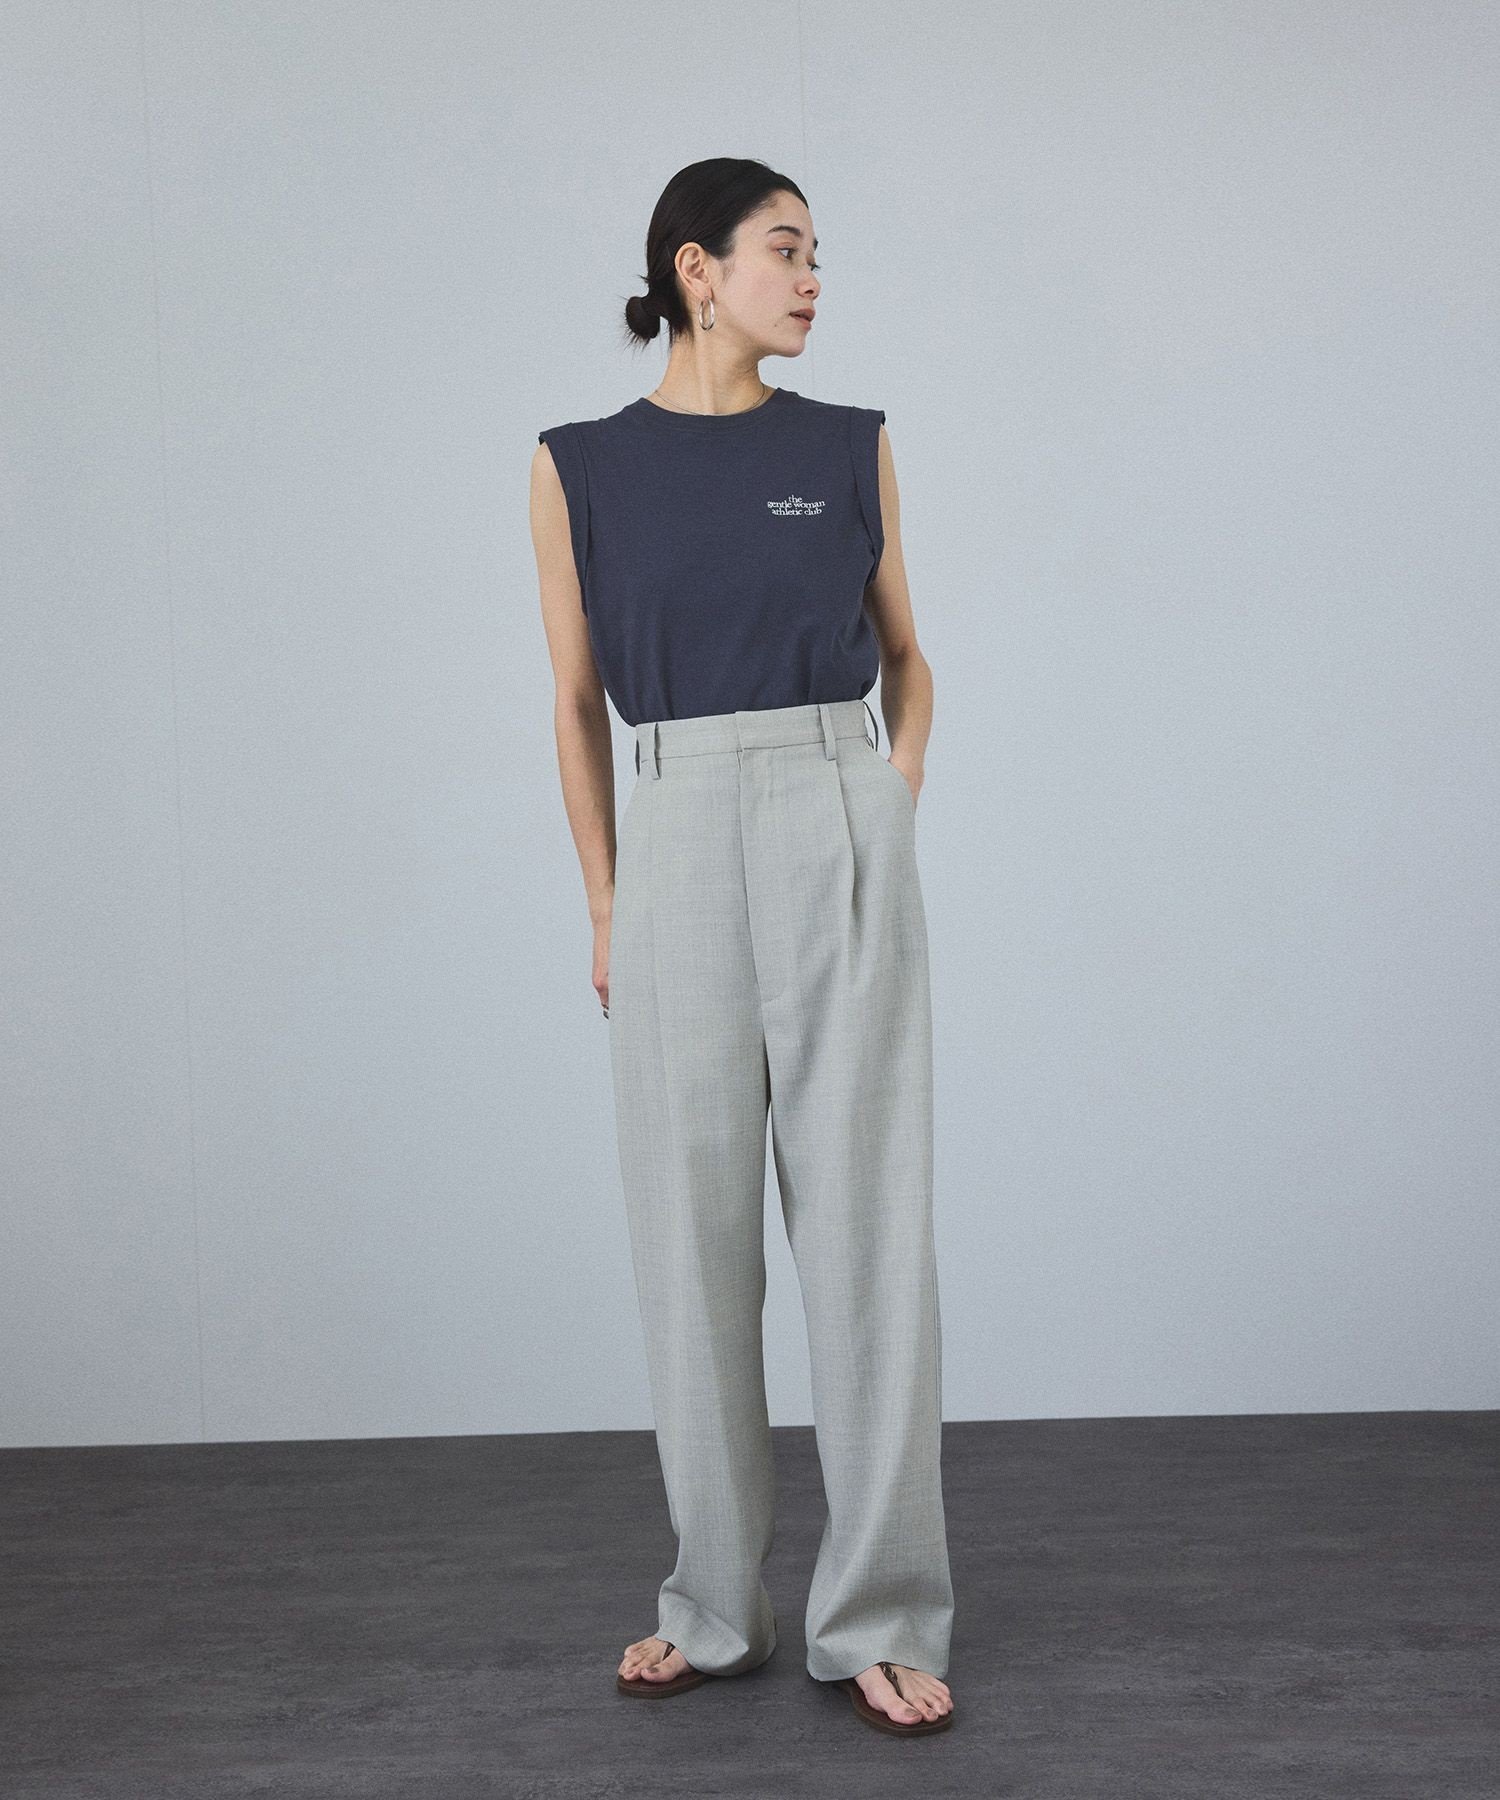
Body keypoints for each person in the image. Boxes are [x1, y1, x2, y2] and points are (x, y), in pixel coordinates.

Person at [529, 157, 956, 1737]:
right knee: (689, 1241)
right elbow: (575, 702)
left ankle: (883, 1615)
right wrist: (605, 900)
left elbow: (911, 659)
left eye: (818, 252)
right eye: (786, 250)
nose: (814, 277)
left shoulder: (849, 445)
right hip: (677, 835)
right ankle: (714, 1607)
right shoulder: (576, 466)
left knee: (869, 1236)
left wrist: (889, 799)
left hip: (838, 808)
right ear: (694, 271)